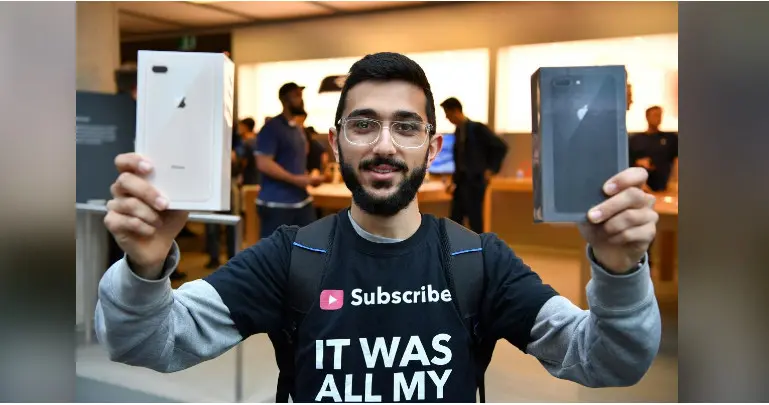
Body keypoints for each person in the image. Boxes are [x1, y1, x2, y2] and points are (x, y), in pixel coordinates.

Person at [96, 52, 661, 403]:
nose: (384, 145)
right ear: (337, 140)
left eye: (406, 127)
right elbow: (145, 341)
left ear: (431, 146)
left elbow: (608, 359)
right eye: (363, 124)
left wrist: (618, 270)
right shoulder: (287, 257)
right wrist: (144, 268)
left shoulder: (479, 261)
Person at [254, 82, 324, 238]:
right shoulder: (271, 128)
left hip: (301, 200)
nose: (301, 100)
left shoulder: (297, 128)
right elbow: (263, 163)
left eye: (301, 95)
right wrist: (295, 179)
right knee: (274, 255)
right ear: (285, 100)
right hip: (277, 203)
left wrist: (308, 177)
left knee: (309, 247)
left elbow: (294, 162)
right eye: (296, 96)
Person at [440, 97, 508, 233]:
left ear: (455, 111)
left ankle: (478, 252)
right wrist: (453, 181)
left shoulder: (477, 128)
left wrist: (491, 169)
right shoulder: (458, 132)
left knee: (475, 221)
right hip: (461, 184)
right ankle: (453, 252)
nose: (447, 118)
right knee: (454, 219)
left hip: (474, 183)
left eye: (448, 114)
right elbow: (459, 160)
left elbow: (501, 146)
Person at [629, 106, 679, 192]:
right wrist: (638, 163)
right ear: (647, 117)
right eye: (655, 115)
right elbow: (628, 161)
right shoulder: (635, 139)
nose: (658, 118)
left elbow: (676, 160)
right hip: (641, 186)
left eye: (660, 115)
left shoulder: (670, 138)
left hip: (663, 187)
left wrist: (675, 182)